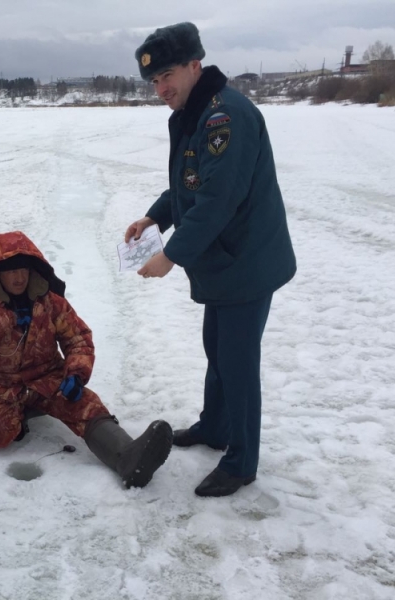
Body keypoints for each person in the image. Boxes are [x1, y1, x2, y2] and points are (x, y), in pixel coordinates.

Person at [126, 23, 297, 497]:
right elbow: (190, 183)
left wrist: (171, 256)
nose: (160, 88)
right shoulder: (196, 111)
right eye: (154, 81)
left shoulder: (226, 117)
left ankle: (241, 461)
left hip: (246, 263)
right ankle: (215, 427)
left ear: (195, 65)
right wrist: (154, 218)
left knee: (238, 363)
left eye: (167, 75)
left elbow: (219, 200)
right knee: (217, 351)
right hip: (225, 262)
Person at [0, 231, 173, 488]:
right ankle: (22, 410)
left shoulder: (49, 300)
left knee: (85, 404)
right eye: (11, 271)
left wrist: (76, 373)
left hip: (47, 376)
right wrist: (8, 318)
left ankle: (126, 456)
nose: (19, 277)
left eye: (23, 269)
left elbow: (78, 338)